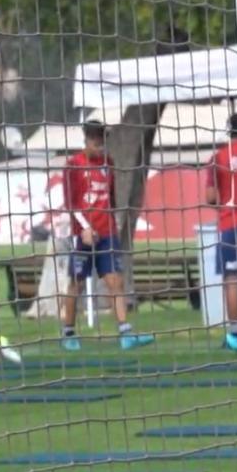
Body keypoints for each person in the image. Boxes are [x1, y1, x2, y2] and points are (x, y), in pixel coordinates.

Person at [58, 120, 155, 351]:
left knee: (115, 281)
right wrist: (84, 228)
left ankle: (125, 334)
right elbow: (70, 203)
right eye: (94, 138)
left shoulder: (108, 163)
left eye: (101, 138)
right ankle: (68, 332)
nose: (99, 143)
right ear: (86, 139)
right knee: (77, 284)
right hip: (82, 236)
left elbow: (111, 197)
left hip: (106, 234)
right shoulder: (73, 165)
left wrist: (113, 219)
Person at [208, 113, 237, 355]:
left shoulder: (219, 157)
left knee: (232, 278)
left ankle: (236, 333)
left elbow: (210, 197)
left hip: (230, 223)